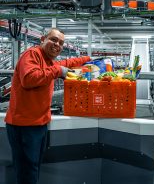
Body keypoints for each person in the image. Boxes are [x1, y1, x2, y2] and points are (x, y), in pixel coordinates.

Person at [5, 28, 91, 184]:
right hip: (24, 125)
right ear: (42, 39)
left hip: (38, 124)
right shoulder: (32, 54)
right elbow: (29, 79)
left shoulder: (48, 60)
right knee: (27, 170)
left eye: (60, 43)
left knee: (33, 166)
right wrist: (58, 70)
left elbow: (66, 63)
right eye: (53, 40)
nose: (57, 44)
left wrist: (88, 59)